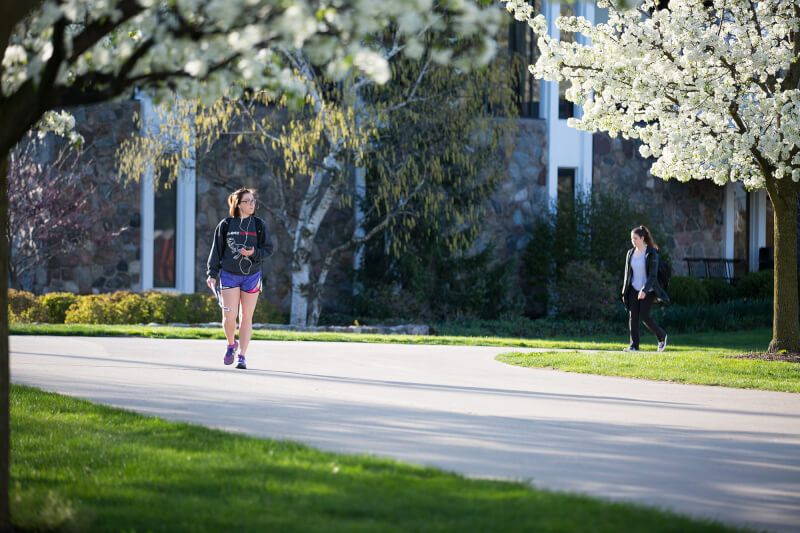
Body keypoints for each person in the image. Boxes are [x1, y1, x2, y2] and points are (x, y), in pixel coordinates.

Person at [206, 187, 274, 369]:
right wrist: (211, 274)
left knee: (246, 318)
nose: (252, 204)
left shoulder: (259, 225)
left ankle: (242, 356)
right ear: (238, 204)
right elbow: (216, 252)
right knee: (229, 318)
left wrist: (253, 253)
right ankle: (231, 344)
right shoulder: (226, 225)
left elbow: (268, 249)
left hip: (252, 276)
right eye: (248, 201)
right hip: (229, 275)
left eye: (253, 201)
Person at [621, 225, 669, 352]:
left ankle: (661, 335)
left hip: (649, 289)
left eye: (635, 238)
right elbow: (627, 274)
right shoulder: (630, 253)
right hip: (633, 288)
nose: (633, 241)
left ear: (642, 238)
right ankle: (634, 346)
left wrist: (644, 290)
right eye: (632, 239)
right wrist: (625, 292)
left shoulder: (651, 253)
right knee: (633, 317)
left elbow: (653, 275)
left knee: (645, 317)